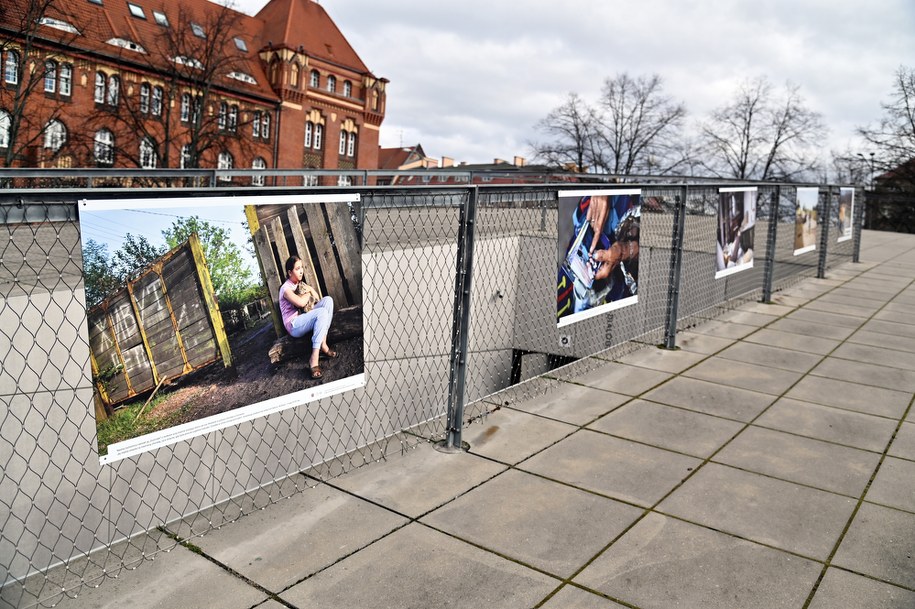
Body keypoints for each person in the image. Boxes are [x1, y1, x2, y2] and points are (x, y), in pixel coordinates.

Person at [278, 255, 336, 379]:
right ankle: (314, 359)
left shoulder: (299, 284)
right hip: (294, 325)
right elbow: (300, 303)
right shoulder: (285, 289)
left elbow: (317, 298)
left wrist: (309, 289)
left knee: (328, 301)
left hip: (303, 318)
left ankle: (323, 344)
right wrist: (308, 292)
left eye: (302, 268)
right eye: (297, 268)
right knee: (321, 313)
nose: (301, 271)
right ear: (289, 272)